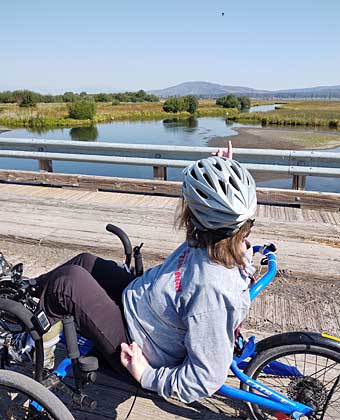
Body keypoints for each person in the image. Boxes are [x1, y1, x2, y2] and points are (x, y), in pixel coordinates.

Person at [5, 144, 257, 403]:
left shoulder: (212, 289)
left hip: (138, 346)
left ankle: (27, 348)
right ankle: (19, 293)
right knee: (85, 262)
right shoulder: (224, 239)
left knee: (68, 284)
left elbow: (206, 378)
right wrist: (220, 184)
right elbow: (225, 215)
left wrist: (146, 374)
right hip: (145, 307)